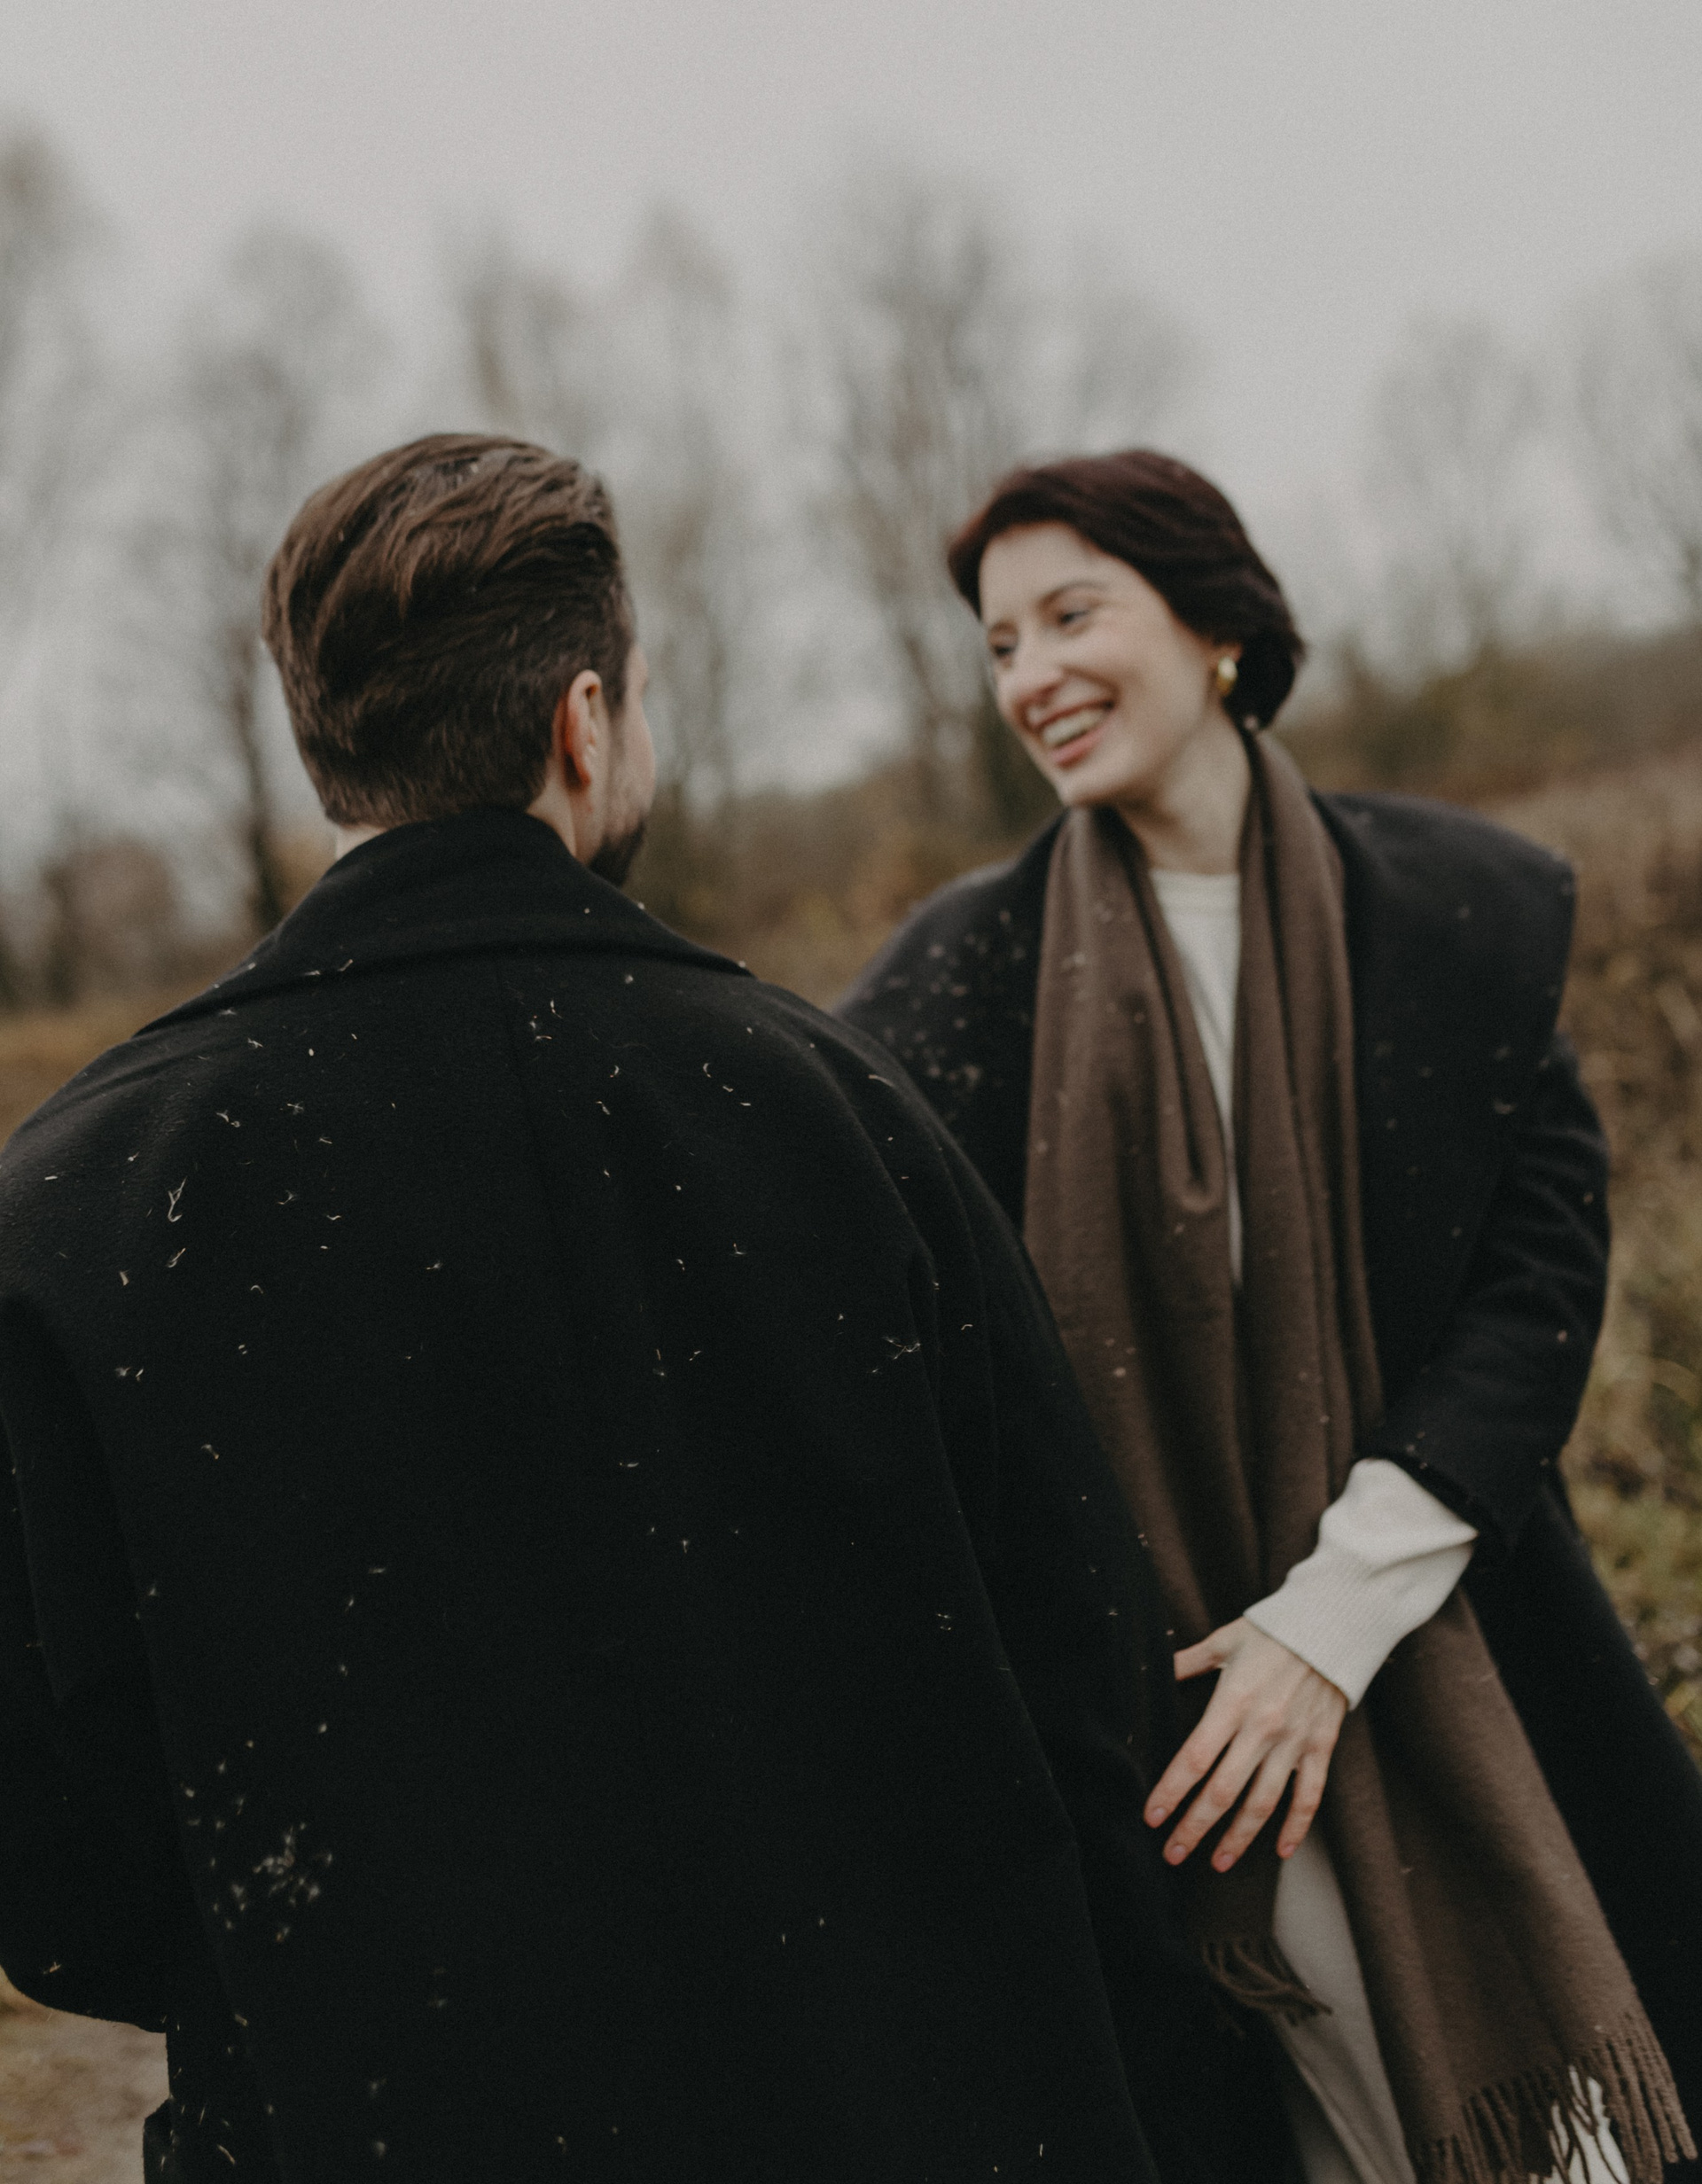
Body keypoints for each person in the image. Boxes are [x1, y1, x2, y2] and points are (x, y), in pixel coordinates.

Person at [0, 435, 1219, 2181]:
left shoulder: (73, 1207)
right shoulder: (839, 1121)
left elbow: (53, 1862)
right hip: (903, 2116)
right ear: (586, 722)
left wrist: (321, 1973)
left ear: (326, 742)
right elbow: (1083, 1691)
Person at [839, 448, 1702, 2184]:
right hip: (1177, 1736)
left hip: (1452, 1636)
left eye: (1072, 615)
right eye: (1001, 644)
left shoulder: (1460, 913)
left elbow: (1535, 1290)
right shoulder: (946, 993)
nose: (1031, 675)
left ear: (1215, 624)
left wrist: (1336, 1616)